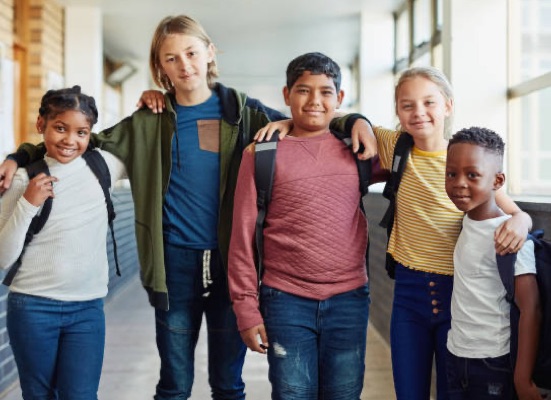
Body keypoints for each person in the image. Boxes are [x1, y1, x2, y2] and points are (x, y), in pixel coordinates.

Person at [0, 15, 374, 400]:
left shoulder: (246, 113)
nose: (185, 65)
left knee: (229, 383)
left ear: (210, 53)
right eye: (171, 58)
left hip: (231, 262)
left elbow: (313, 118)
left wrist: (354, 120)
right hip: (175, 265)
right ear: (160, 67)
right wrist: (21, 154)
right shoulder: (150, 121)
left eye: (192, 53)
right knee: (174, 383)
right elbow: (81, 142)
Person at [360, 67, 532, 400]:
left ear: (448, 106)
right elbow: (337, 118)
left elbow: (515, 212)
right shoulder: (394, 145)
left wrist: (521, 221)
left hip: (459, 298)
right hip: (408, 298)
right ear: (397, 110)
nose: (418, 112)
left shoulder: (463, 159)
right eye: (406, 105)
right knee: (409, 392)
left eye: (429, 102)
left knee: (453, 392)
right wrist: (353, 121)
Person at [228, 52, 377, 399]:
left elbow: (407, 141)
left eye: (326, 92)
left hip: (350, 299)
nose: (314, 101)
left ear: (339, 99)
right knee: (293, 392)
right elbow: (242, 238)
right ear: (286, 95)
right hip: (285, 299)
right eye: (303, 90)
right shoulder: (261, 154)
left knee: (344, 393)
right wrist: (246, 309)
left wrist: (360, 121)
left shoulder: (357, 149)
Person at [0, 86, 126, 399]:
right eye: (60, 128)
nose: (70, 140)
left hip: (87, 309)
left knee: (81, 395)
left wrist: (156, 97)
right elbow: (3, 259)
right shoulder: (21, 178)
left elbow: (147, 139)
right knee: (40, 395)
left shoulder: (104, 166)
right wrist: (28, 203)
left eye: (81, 132)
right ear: (41, 124)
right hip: (32, 306)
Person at [444, 126, 542, 400]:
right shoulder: (465, 221)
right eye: (451, 174)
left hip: (493, 363)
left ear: (497, 181)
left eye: (472, 175)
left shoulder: (508, 235)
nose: (459, 183)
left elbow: (531, 309)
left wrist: (522, 378)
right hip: (455, 355)